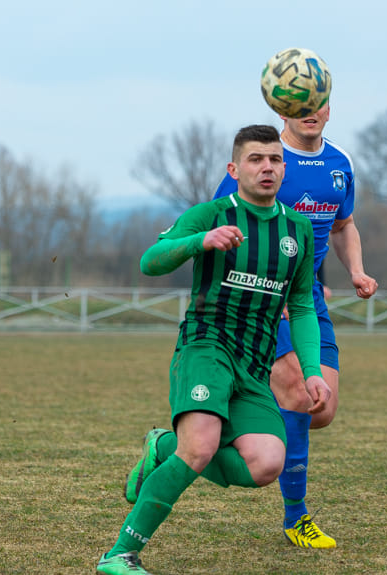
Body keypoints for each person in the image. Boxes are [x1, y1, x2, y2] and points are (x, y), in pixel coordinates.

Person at [97, 124, 331, 575]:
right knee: (200, 448)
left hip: (254, 364)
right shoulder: (210, 214)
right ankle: (119, 554)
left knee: (266, 465)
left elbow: (300, 306)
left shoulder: (297, 230)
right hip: (205, 347)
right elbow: (150, 261)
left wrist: (312, 369)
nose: (267, 167)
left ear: (285, 169)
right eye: (256, 159)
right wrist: (198, 241)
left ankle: (163, 447)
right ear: (234, 168)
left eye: (275, 159)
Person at [213, 103, 378, 549]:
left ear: (329, 108)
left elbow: (342, 225)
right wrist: (265, 282)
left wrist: (355, 272)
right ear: (281, 105)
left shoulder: (339, 164)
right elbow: (223, 224)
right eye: (299, 103)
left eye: (317, 102)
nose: (310, 111)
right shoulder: (265, 158)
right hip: (260, 301)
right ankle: (296, 517)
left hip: (305, 302)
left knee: (321, 409)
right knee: (301, 395)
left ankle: (183, 443)